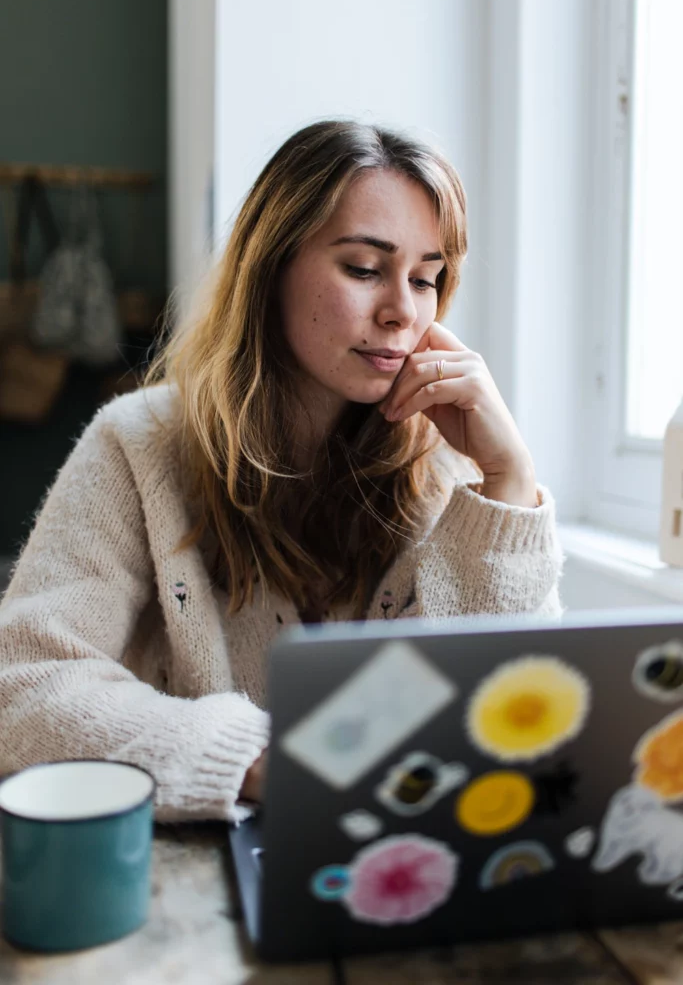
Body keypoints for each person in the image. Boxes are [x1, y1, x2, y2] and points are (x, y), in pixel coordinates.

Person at [0, 120, 564, 823]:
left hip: (402, 859)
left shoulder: (451, 464)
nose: (401, 311)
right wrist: (258, 760)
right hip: (197, 868)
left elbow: (513, 714)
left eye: (426, 278)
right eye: (363, 269)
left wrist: (507, 479)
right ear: (270, 268)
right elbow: (22, 688)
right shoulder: (135, 444)